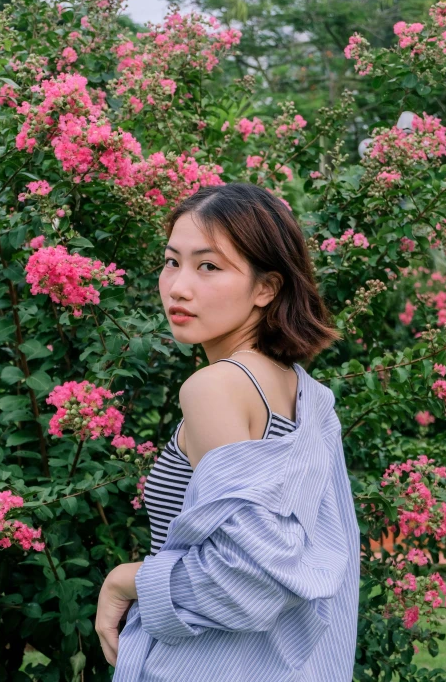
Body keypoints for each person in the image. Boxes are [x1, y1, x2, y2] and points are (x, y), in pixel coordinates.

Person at [96, 182, 361, 681]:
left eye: (208, 266)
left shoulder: (215, 388)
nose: (178, 286)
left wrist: (125, 581)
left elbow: (248, 575)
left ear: (266, 288)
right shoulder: (302, 394)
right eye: (172, 261)